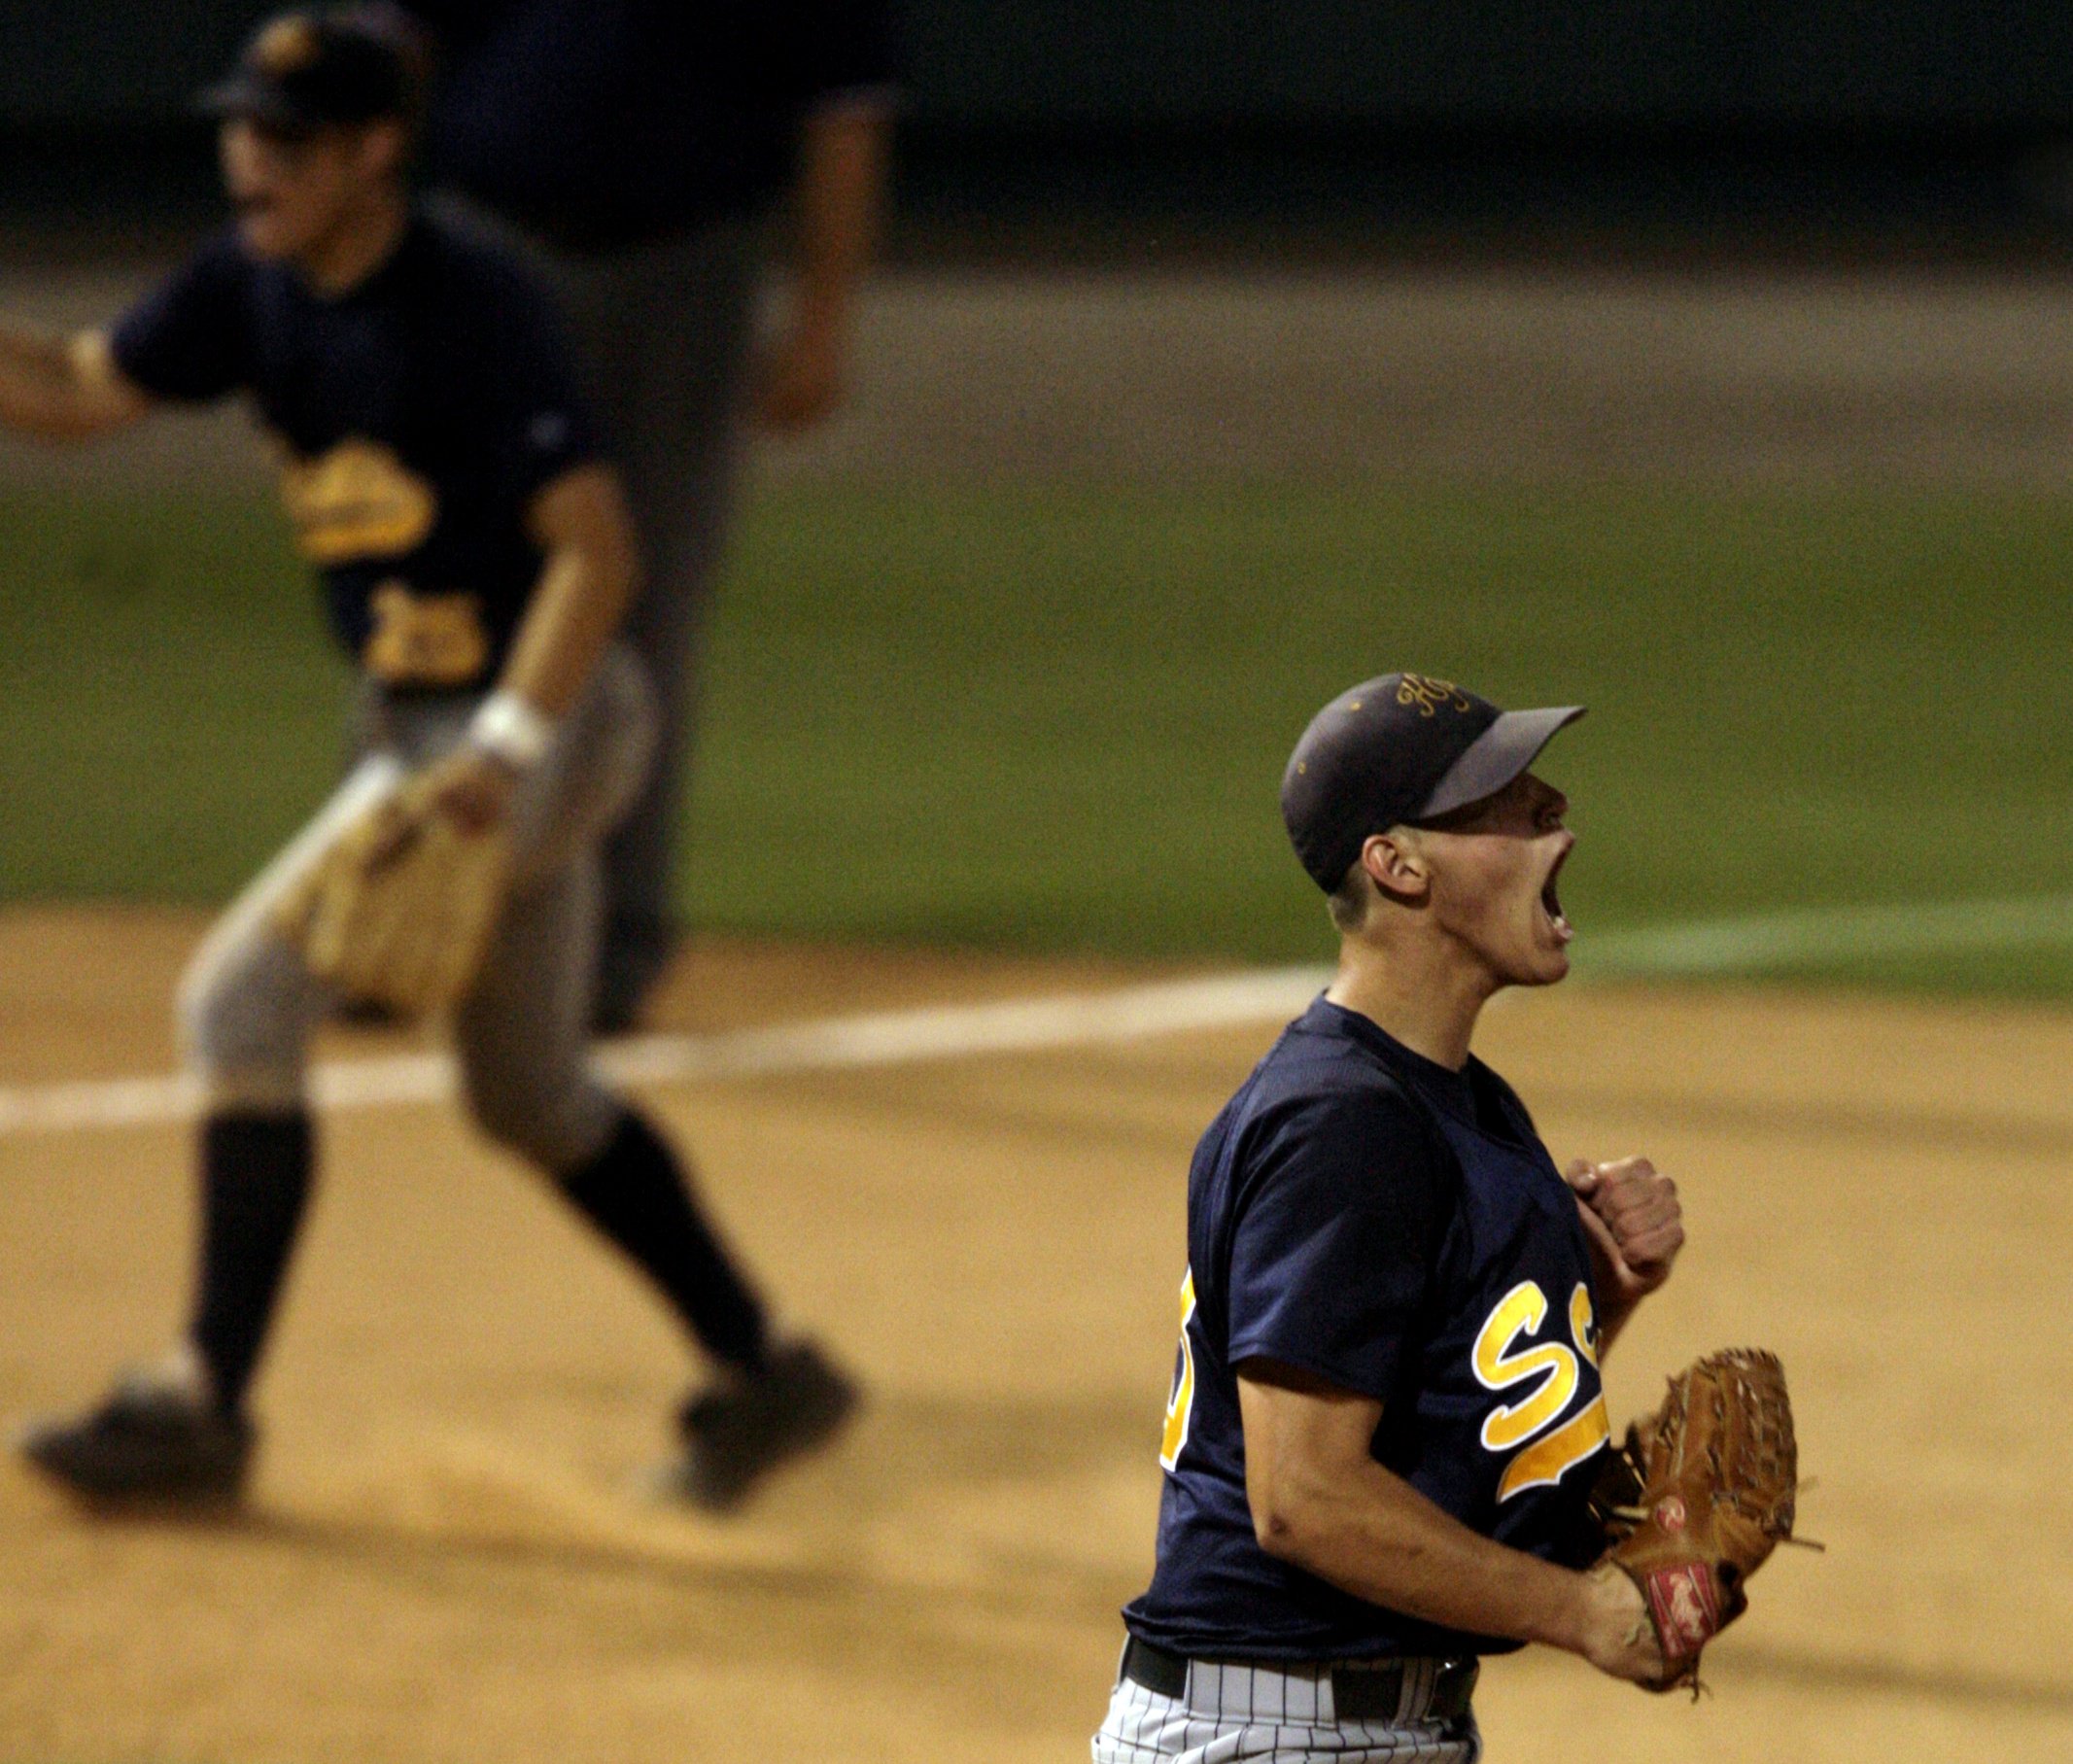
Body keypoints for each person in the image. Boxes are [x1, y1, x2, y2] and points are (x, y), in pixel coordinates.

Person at [4, 6, 854, 1511]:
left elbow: (599, 552)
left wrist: (506, 751)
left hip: (543, 715)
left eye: (286, 138)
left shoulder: (470, 303)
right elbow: (81, 388)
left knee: (236, 1004)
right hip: (431, 732)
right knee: (528, 1092)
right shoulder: (249, 285)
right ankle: (764, 1368)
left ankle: (201, 1400)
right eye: (241, 129)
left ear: (373, 151)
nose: (247, 159)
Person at [1093, 673, 1687, 1762]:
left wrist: (1602, 1290)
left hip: (1367, 1726)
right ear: (1397, 864)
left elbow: (1444, 1414)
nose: (1552, 808)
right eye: (1503, 796)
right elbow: (1305, 1499)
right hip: (1270, 1734)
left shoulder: (1464, 1101)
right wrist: (1584, 1615)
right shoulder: (1343, 1125)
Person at [405, 0, 897, 1031]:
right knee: (433, 590)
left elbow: (845, 109)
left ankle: (605, 949)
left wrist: (823, 319)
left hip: (687, 264)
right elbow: (389, 51)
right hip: (480, 245)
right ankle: (395, 917)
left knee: (644, 607)